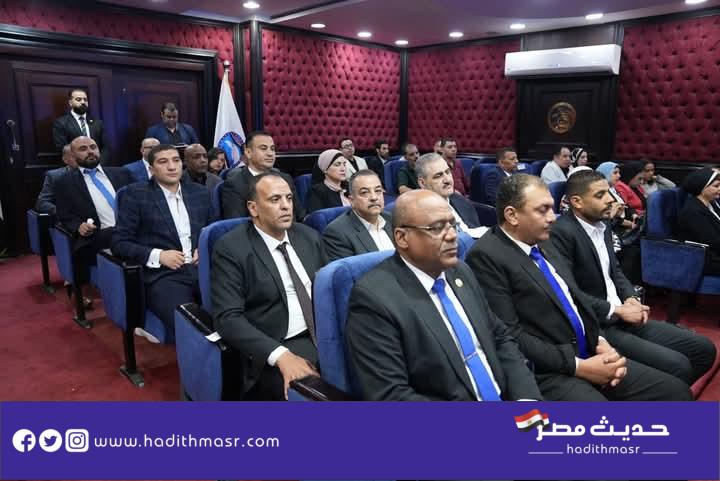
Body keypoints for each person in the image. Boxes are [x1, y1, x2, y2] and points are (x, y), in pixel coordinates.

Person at [465, 174, 693, 401]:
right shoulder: (487, 256)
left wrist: (600, 342)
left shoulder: (543, 239)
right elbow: (510, 335)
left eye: (551, 208)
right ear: (512, 215)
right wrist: (579, 366)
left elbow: (576, 299)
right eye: (542, 210)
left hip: (589, 347)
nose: (552, 217)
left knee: (676, 392)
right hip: (549, 369)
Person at [345, 190, 543, 401]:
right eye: (437, 228)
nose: (451, 236)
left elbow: (499, 337)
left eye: (452, 225)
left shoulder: (460, 271)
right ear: (402, 237)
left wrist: (526, 399)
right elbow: (391, 395)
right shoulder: (374, 299)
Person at [551, 170, 716, 385]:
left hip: (622, 315)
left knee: (704, 349)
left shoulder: (602, 225)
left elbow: (615, 272)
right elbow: (568, 294)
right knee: (678, 366)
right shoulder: (561, 233)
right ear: (577, 202)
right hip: (598, 325)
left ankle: (667, 393)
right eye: (600, 195)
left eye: (609, 192)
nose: (610, 199)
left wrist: (631, 298)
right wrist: (617, 310)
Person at [212, 172, 328, 400]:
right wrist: (281, 355)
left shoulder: (310, 237)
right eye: (275, 199)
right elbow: (227, 318)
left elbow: (329, 290)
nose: (286, 206)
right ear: (253, 208)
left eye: (289, 198)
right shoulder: (231, 248)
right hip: (278, 342)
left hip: (325, 333)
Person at [112, 144, 213, 334]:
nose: (172, 167)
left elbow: (212, 231)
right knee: (195, 328)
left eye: (176, 160)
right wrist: (158, 255)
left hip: (203, 269)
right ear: (151, 169)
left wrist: (203, 248)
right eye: (163, 162)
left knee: (235, 313)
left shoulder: (200, 193)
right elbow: (119, 242)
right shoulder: (136, 194)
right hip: (164, 276)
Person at [55, 136, 133, 283]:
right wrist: (79, 226)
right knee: (118, 234)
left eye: (93, 147)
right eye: (83, 149)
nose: (90, 151)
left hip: (132, 230)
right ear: (73, 156)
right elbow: (64, 215)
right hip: (99, 236)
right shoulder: (64, 183)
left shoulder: (122, 173)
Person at [222, 131, 304, 221]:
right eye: (263, 148)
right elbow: (238, 225)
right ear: (248, 152)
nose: (270, 153)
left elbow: (300, 216)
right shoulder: (235, 185)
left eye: (272, 149)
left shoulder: (285, 179)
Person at [322, 170, 393, 261]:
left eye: (378, 191)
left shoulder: (393, 219)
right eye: (364, 192)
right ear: (351, 200)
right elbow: (350, 270)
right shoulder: (337, 233)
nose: (374, 197)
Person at [416, 153, 487, 239]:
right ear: (422, 183)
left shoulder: (460, 200)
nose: (447, 180)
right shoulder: (419, 215)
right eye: (438, 176)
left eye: (448, 172)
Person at [677, 168, 720, 275]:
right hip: (706, 259)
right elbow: (713, 242)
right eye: (716, 186)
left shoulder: (711, 203)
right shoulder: (692, 211)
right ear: (702, 188)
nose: (719, 188)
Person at [52, 89, 108, 153]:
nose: (83, 102)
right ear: (70, 103)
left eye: (85, 100)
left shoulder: (98, 123)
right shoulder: (61, 123)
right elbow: (62, 148)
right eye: (78, 99)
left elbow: (105, 147)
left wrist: (100, 160)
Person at [35, 145, 77, 215]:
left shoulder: (95, 173)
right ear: (65, 159)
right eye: (74, 156)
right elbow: (42, 203)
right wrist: (64, 212)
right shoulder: (55, 176)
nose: (80, 158)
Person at [307, 149, 350, 213]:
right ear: (325, 169)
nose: (343, 169)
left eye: (344, 164)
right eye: (337, 165)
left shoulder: (350, 186)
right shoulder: (317, 191)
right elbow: (318, 217)